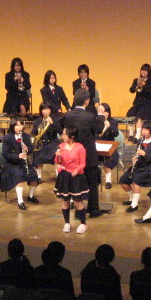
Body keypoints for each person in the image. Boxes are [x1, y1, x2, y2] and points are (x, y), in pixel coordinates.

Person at [59, 88, 105, 218]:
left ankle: (79, 211)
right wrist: (100, 115)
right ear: (87, 101)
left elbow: (61, 128)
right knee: (92, 182)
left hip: (72, 155)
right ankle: (93, 209)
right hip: (88, 155)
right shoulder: (90, 116)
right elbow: (99, 129)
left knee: (75, 184)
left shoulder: (67, 116)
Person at [120, 120, 151, 213]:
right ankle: (132, 198)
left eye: (146, 130)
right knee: (123, 180)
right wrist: (135, 158)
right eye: (143, 129)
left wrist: (145, 154)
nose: (143, 132)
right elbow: (138, 154)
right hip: (139, 166)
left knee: (136, 179)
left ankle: (134, 205)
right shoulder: (140, 141)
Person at [54, 125, 89, 233]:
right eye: (63, 134)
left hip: (76, 176)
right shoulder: (61, 146)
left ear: (72, 136)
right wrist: (57, 156)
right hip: (64, 176)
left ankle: (83, 224)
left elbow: (83, 163)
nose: (63, 136)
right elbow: (58, 162)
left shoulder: (80, 147)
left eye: (65, 134)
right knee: (65, 201)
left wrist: (76, 170)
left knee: (77, 201)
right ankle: (67, 223)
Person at [0, 117, 40, 210]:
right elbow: (5, 154)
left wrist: (27, 149)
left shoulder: (26, 136)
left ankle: (30, 196)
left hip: (23, 163)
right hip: (11, 163)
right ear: (12, 126)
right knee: (19, 177)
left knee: (34, 176)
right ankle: (20, 201)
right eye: (17, 125)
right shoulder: (7, 137)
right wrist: (17, 156)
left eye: (21, 125)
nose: (19, 127)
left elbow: (31, 149)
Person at [126, 63, 151, 143]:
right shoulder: (136, 80)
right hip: (138, 103)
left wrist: (145, 85)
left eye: (145, 70)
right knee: (129, 114)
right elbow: (131, 90)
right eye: (142, 70)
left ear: (148, 72)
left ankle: (137, 136)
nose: (143, 72)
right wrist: (136, 86)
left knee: (139, 116)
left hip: (148, 104)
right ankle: (131, 134)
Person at [31, 102, 60, 182]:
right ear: (41, 111)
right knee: (37, 156)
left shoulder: (56, 119)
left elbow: (60, 131)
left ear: (50, 110)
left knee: (57, 157)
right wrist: (33, 138)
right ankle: (38, 177)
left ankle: (59, 177)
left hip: (52, 142)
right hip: (41, 143)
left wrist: (52, 123)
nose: (46, 111)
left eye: (47, 109)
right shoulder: (37, 121)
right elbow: (33, 132)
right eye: (43, 109)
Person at [97, 103, 119, 190]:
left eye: (106, 112)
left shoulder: (113, 121)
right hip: (97, 145)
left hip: (110, 145)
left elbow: (116, 133)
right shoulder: (96, 121)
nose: (105, 114)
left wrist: (109, 126)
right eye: (102, 112)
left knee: (109, 158)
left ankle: (108, 181)